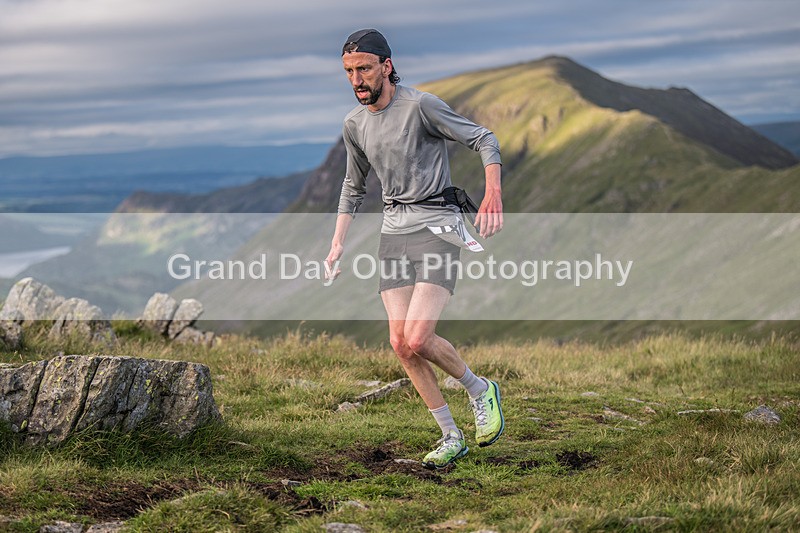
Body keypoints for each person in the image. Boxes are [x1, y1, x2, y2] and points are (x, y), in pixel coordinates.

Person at [325, 28, 505, 469]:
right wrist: (337, 244)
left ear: (386, 66)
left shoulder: (420, 106)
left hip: (438, 227)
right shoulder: (354, 124)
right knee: (401, 345)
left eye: (364, 69)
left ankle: (480, 389)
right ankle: (450, 434)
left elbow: (484, 139)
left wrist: (493, 192)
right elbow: (353, 186)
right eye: (349, 71)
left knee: (419, 336)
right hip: (394, 232)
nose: (356, 79)